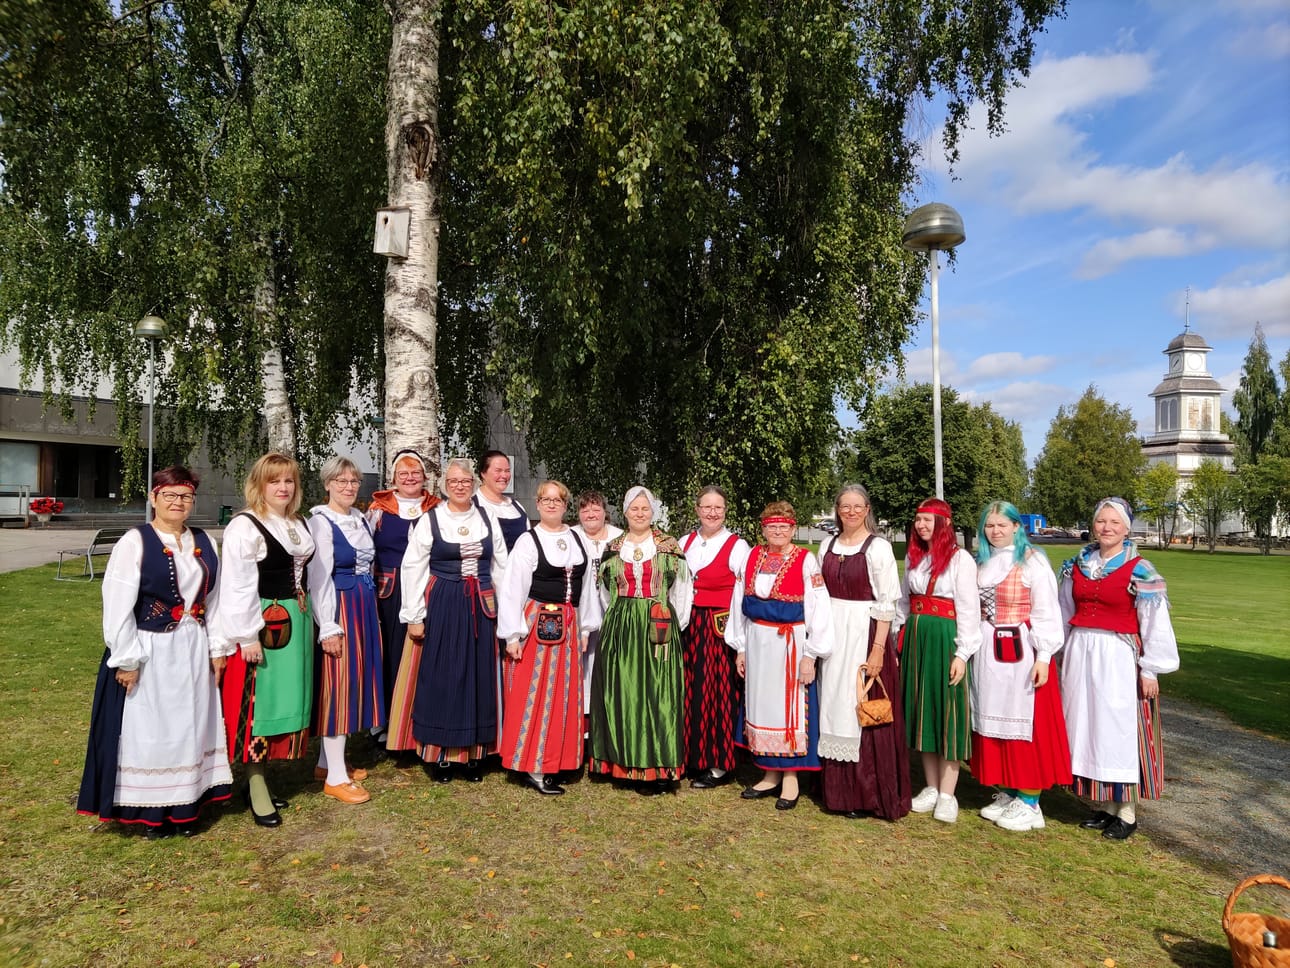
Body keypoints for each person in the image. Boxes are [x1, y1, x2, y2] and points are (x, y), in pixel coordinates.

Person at [77, 466, 232, 838]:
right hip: (152, 649)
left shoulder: (204, 541)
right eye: (170, 495)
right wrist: (127, 659)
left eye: (185, 496)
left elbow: (215, 601)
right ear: (154, 498)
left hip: (194, 648)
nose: (178, 502)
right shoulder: (135, 542)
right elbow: (117, 605)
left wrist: (217, 648)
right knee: (152, 728)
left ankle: (185, 807)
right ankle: (150, 812)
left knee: (191, 725)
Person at [1059, 497, 1179, 840]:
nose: (1107, 528)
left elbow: (1154, 621)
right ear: (1093, 525)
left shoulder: (1141, 569)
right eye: (1101, 521)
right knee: (1088, 725)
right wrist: (1056, 652)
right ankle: (1105, 805)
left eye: (1115, 522)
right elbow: (1063, 609)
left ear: (1127, 529)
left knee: (1117, 729)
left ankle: (1127, 811)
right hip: (1081, 651)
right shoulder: (1076, 565)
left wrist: (1150, 669)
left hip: (1117, 655)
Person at [211, 452, 316, 828]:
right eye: (274, 481)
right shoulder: (245, 526)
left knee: (284, 701)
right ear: (259, 485)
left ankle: (262, 777)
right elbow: (236, 584)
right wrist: (246, 636)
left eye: (288, 480)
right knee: (259, 705)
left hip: (296, 621)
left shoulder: (297, 522)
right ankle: (254, 783)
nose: (283, 488)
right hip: (264, 623)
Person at [398, 457, 509, 781]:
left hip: (481, 604)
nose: (460, 486)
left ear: (474, 484)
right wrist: (414, 615)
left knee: (479, 674)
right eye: (453, 481)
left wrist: (505, 613)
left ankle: (475, 754)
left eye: (465, 481)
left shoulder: (487, 517)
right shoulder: (431, 519)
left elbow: (501, 566)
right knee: (443, 674)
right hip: (444, 602)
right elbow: (413, 567)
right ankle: (442, 754)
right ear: (445, 486)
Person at [726, 501, 835, 811]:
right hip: (757, 642)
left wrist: (810, 655)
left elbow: (819, 607)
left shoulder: (805, 560)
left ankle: (790, 778)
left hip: (790, 644)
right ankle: (770, 773)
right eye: (771, 526)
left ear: (792, 528)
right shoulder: (751, 557)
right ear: (763, 529)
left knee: (788, 709)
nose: (777, 531)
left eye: (783, 527)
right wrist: (740, 648)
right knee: (762, 706)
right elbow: (738, 603)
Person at [970, 501, 1071, 831]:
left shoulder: (1032, 561)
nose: (995, 531)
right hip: (988, 650)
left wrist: (1044, 656)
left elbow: (1047, 611)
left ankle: (1030, 800)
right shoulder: (981, 562)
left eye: (1002, 525)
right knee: (993, 718)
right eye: (989, 525)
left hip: (1021, 651)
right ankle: (1010, 789)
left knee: (1025, 722)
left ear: (1016, 526)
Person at [498, 480, 601, 795]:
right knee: (538, 692)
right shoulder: (528, 541)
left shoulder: (576, 538)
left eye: (558, 500)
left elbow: (588, 587)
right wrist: (512, 635)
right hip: (538, 622)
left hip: (569, 623)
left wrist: (586, 627)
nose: (552, 505)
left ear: (566, 505)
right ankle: (534, 766)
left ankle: (559, 761)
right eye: (546, 500)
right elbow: (513, 588)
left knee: (565, 693)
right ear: (538, 504)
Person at [816, 484, 911, 820]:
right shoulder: (826, 545)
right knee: (832, 703)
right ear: (837, 510)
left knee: (861, 704)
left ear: (867, 509)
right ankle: (835, 790)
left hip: (865, 633)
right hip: (833, 632)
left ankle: (866, 793)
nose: (851, 512)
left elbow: (887, 602)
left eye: (858, 506)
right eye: (845, 506)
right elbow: (817, 594)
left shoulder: (878, 547)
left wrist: (878, 650)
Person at [589, 485, 692, 792]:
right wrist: (618, 617)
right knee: (622, 692)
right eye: (634, 508)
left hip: (657, 626)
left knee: (657, 694)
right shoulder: (613, 547)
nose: (639, 513)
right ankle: (622, 763)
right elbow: (604, 593)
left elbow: (683, 591)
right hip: (621, 626)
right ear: (625, 512)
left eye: (645, 508)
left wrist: (673, 625)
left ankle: (656, 765)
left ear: (653, 512)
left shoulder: (668, 546)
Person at [892, 497, 981, 824]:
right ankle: (930, 787)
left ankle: (947, 794)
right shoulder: (914, 558)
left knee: (947, 710)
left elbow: (969, 609)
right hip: (917, 637)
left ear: (944, 524)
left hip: (945, 638)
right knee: (923, 710)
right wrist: (898, 639)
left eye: (928, 520)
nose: (921, 525)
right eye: (918, 520)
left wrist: (962, 653)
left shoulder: (960, 560)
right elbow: (904, 601)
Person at [305, 456, 383, 805]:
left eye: (353, 481)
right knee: (339, 684)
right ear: (327, 484)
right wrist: (329, 624)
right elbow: (319, 578)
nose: (349, 487)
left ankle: (328, 762)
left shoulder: (360, 518)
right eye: (341, 481)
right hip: (340, 605)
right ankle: (336, 778)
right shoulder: (321, 522)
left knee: (353, 682)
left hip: (363, 604)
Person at [365, 450, 440, 749]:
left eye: (415, 473)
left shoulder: (437, 508)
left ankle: (417, 717)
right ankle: (384, 720)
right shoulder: (378, 510)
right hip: (389, 591)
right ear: (393, 478)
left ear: (424, 477)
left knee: (424, 653)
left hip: (426, 589)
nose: (410, 478)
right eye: (403, 474)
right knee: (389, 652)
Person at [678, 485, 750, 789]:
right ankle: (691, 756)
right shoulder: (684, 542)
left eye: (718, 507)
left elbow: (742, 594)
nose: (712, 512)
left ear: (725, 511)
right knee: (688, 690)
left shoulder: (737, 546)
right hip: (688, 624)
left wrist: (740, 640)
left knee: (718, 693)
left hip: (720, 627)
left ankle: (718, 763)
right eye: (706, 507)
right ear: (697, 510)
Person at [572, 491, 622, 729]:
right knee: (583, 660)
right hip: (581, 607)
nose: (590, 514)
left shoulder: (619, 538)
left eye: (595, 509)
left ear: (605, 512)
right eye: (585, 509)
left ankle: (607, 714)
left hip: (611, 607)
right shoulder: (571, 535)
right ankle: (583, 719)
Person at [474, 449, 530, 552]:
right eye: (498, 470)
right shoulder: (471, 505)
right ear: (483, 473)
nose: (504, 476)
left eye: (507, 471)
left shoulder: (516, 507)